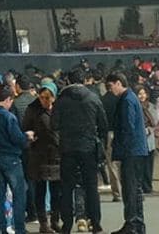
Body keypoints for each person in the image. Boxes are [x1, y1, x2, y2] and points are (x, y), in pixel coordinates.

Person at [52, 69, 107, 234]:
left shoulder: (61, 101)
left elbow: (54, 124)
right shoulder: (93, 98)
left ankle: (67, 223)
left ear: (68, 81)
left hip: (68, 148)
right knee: (91, 186)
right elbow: (103, 125)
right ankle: (95, 222)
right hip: (88, 147)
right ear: (85, 81)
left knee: (67, 187)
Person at [0, 85, 34, 234]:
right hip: (11, 158)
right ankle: (19, 228)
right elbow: (17, 138)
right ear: (8, 99)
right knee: (19, 192)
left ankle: (1, 227)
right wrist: (27, 136)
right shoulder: (9, 117)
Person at [107, 72, 149, 234]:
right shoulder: (131, 98)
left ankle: (131, 223)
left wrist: (121, 148)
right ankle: (137, 223)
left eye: (111, 86)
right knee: (135, 189)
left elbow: (127, 127)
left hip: (130, 151)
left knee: (130, 189)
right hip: (137, 150)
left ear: (118, 83)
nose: (110, 90)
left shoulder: (126, 100)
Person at [23, 82, 62, 233]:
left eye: (48, 98)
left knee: (56, 190)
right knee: (40, 190)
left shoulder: (59, 108)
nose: (45, 101)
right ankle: (43, 222)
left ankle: (55, 219)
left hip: (57, 155)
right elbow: (25, 127)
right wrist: (30, 135)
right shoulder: (32, 109)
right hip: (39, 154)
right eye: (42, 97)